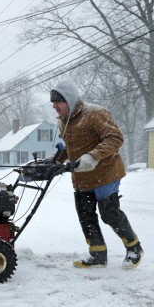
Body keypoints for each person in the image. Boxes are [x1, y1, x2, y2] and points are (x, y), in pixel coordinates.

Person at [50, 80, 144, 269]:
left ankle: (134, 248)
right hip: (81, 177)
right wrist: (54, 162)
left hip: (105, 174)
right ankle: (98, 255)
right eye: (53, 102)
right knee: (86, 215)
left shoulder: (95, 114)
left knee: (109, 214)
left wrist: (93, 156)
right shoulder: (64, 122)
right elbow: (70, 149)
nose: (54, 106)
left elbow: (115, 138)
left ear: (69, 100)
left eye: (57, 102)